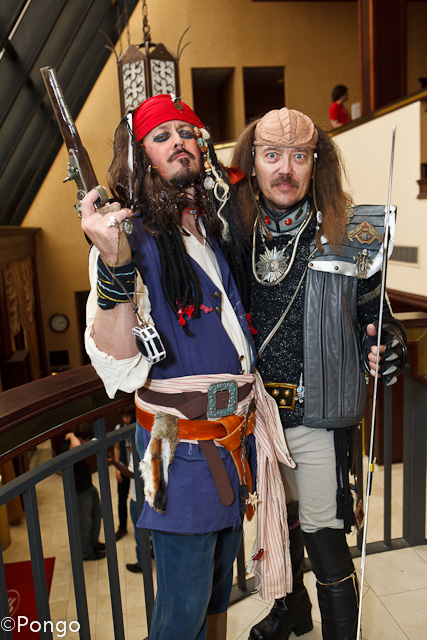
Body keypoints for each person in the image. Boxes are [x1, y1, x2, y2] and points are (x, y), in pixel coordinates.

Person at [80, 94, 294, 640]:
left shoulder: (210, 230)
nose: (179, 141)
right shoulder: (126, 238)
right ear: (140, 158)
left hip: (231, 440)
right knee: (181, 610)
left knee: (218, 592)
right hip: (170, 448)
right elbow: (117, 361)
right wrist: (114, 267)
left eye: (186, 132)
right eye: (161, 136)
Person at [231, 107, 406, 640]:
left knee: (324, 537)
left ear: (316, 164)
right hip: (258, 417)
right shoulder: (233, 232)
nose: (285, 169)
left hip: (319, 416)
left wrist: (387, 348)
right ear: (252, 162)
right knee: (278, 527)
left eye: (299, 156)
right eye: (272, 155)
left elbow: (379, 318)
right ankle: (292, 610)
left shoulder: (349, 232)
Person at [62, 423, 106, 561]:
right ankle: (86, 551)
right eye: (86, 440)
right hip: (79, 490)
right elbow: (75, 446)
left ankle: (93, 543)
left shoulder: (76, 441)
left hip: (88, 486)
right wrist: (72, 436)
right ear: (80, 438)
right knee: (84, 523)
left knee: (96, 515)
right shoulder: (67, 446)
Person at [109, 445, 143, 572]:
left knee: (140, 534)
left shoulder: (137, 449)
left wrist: (114, 463)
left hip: (138, 498)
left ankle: (142, 563)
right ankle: (151, 553)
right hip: (150, 495)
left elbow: (132, 473)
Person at [113, 409, 133, 541]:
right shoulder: (118, 428)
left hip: (135, 468)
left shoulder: (137, 425)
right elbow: (116, 447)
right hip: (123, 466)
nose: (126, 419)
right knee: (121, 498)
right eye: (123, 416)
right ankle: (122, 527)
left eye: (128, 416)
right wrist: (117, 468)